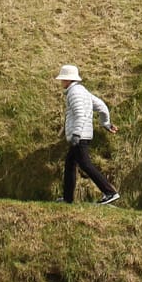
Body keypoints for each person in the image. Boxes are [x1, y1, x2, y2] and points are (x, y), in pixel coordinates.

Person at [57, 65, 120, 205]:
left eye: (62, 79)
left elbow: (80, 114)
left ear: (68, 80)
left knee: (85, 165)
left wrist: (76, 134)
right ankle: (67, 199)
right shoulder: (83, 91)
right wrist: (106, 124)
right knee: (70, 164)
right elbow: (102, 107)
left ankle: (110, 192)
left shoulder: (74, 94)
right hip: (82, 135)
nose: (61, 82)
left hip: (80, 136)